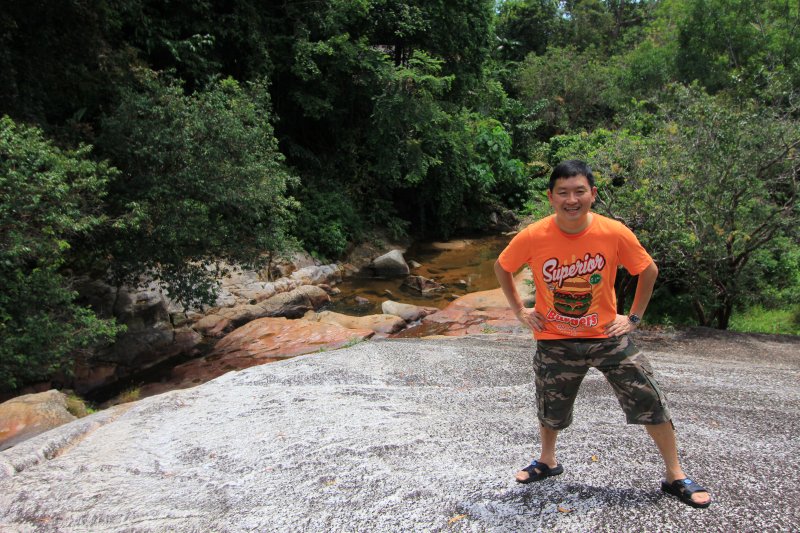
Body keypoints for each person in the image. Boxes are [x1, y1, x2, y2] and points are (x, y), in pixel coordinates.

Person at [494, 160, 711, 509]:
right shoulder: (534, 235)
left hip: (608, 336)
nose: (571, 199)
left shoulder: (613, 232)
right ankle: (547, 461)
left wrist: (634, 317)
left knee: (650, 399)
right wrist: (521, 310)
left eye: (579, 191)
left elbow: (648, 270)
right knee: (551, 406)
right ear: (551, 197)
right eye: (563, 192)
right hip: (555, 338)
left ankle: (675, 475)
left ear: (592, 194)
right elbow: (502, 266)